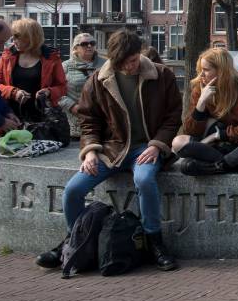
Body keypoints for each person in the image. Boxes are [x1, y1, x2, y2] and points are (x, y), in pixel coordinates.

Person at [35, 30, 182, 271]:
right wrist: (91, 151)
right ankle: (75, 243)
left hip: (146, 147)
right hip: (111, 149)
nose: (128, 68)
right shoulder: (98, 80)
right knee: (73, 190)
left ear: (139, 53)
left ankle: (154, 242)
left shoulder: (161, 75)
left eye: (133, 61)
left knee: (144, 180)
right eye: (122, 63)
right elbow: (89, 120)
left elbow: (173, 116)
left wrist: (157, 145)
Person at [171, 47, 238, 175]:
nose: (201, 75)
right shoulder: (200, 88)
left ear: (221, 71)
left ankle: (221, 165)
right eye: (200, 70)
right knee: (177, 143)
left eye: (205, 70)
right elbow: (191, 132)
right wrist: (201, 103)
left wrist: (219, 135)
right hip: (213, 147)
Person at [0, 18, 66, 125]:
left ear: (31, 37)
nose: (13, 40)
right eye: (12, 36)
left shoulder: (52, 57)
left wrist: (49, 92)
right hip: (11, 117)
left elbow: (62, 87)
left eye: (17, 36)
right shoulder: (7, 56)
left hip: (43, 119)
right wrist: (13, 92)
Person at [59, 33, 107, 139]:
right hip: (75, 125)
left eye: (92, 43)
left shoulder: (106, 64)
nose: (89, 46)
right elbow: (57, 93)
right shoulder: (65, 66)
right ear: (76, 48)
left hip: (102, 125)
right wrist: (72, 106)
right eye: (84, 44)